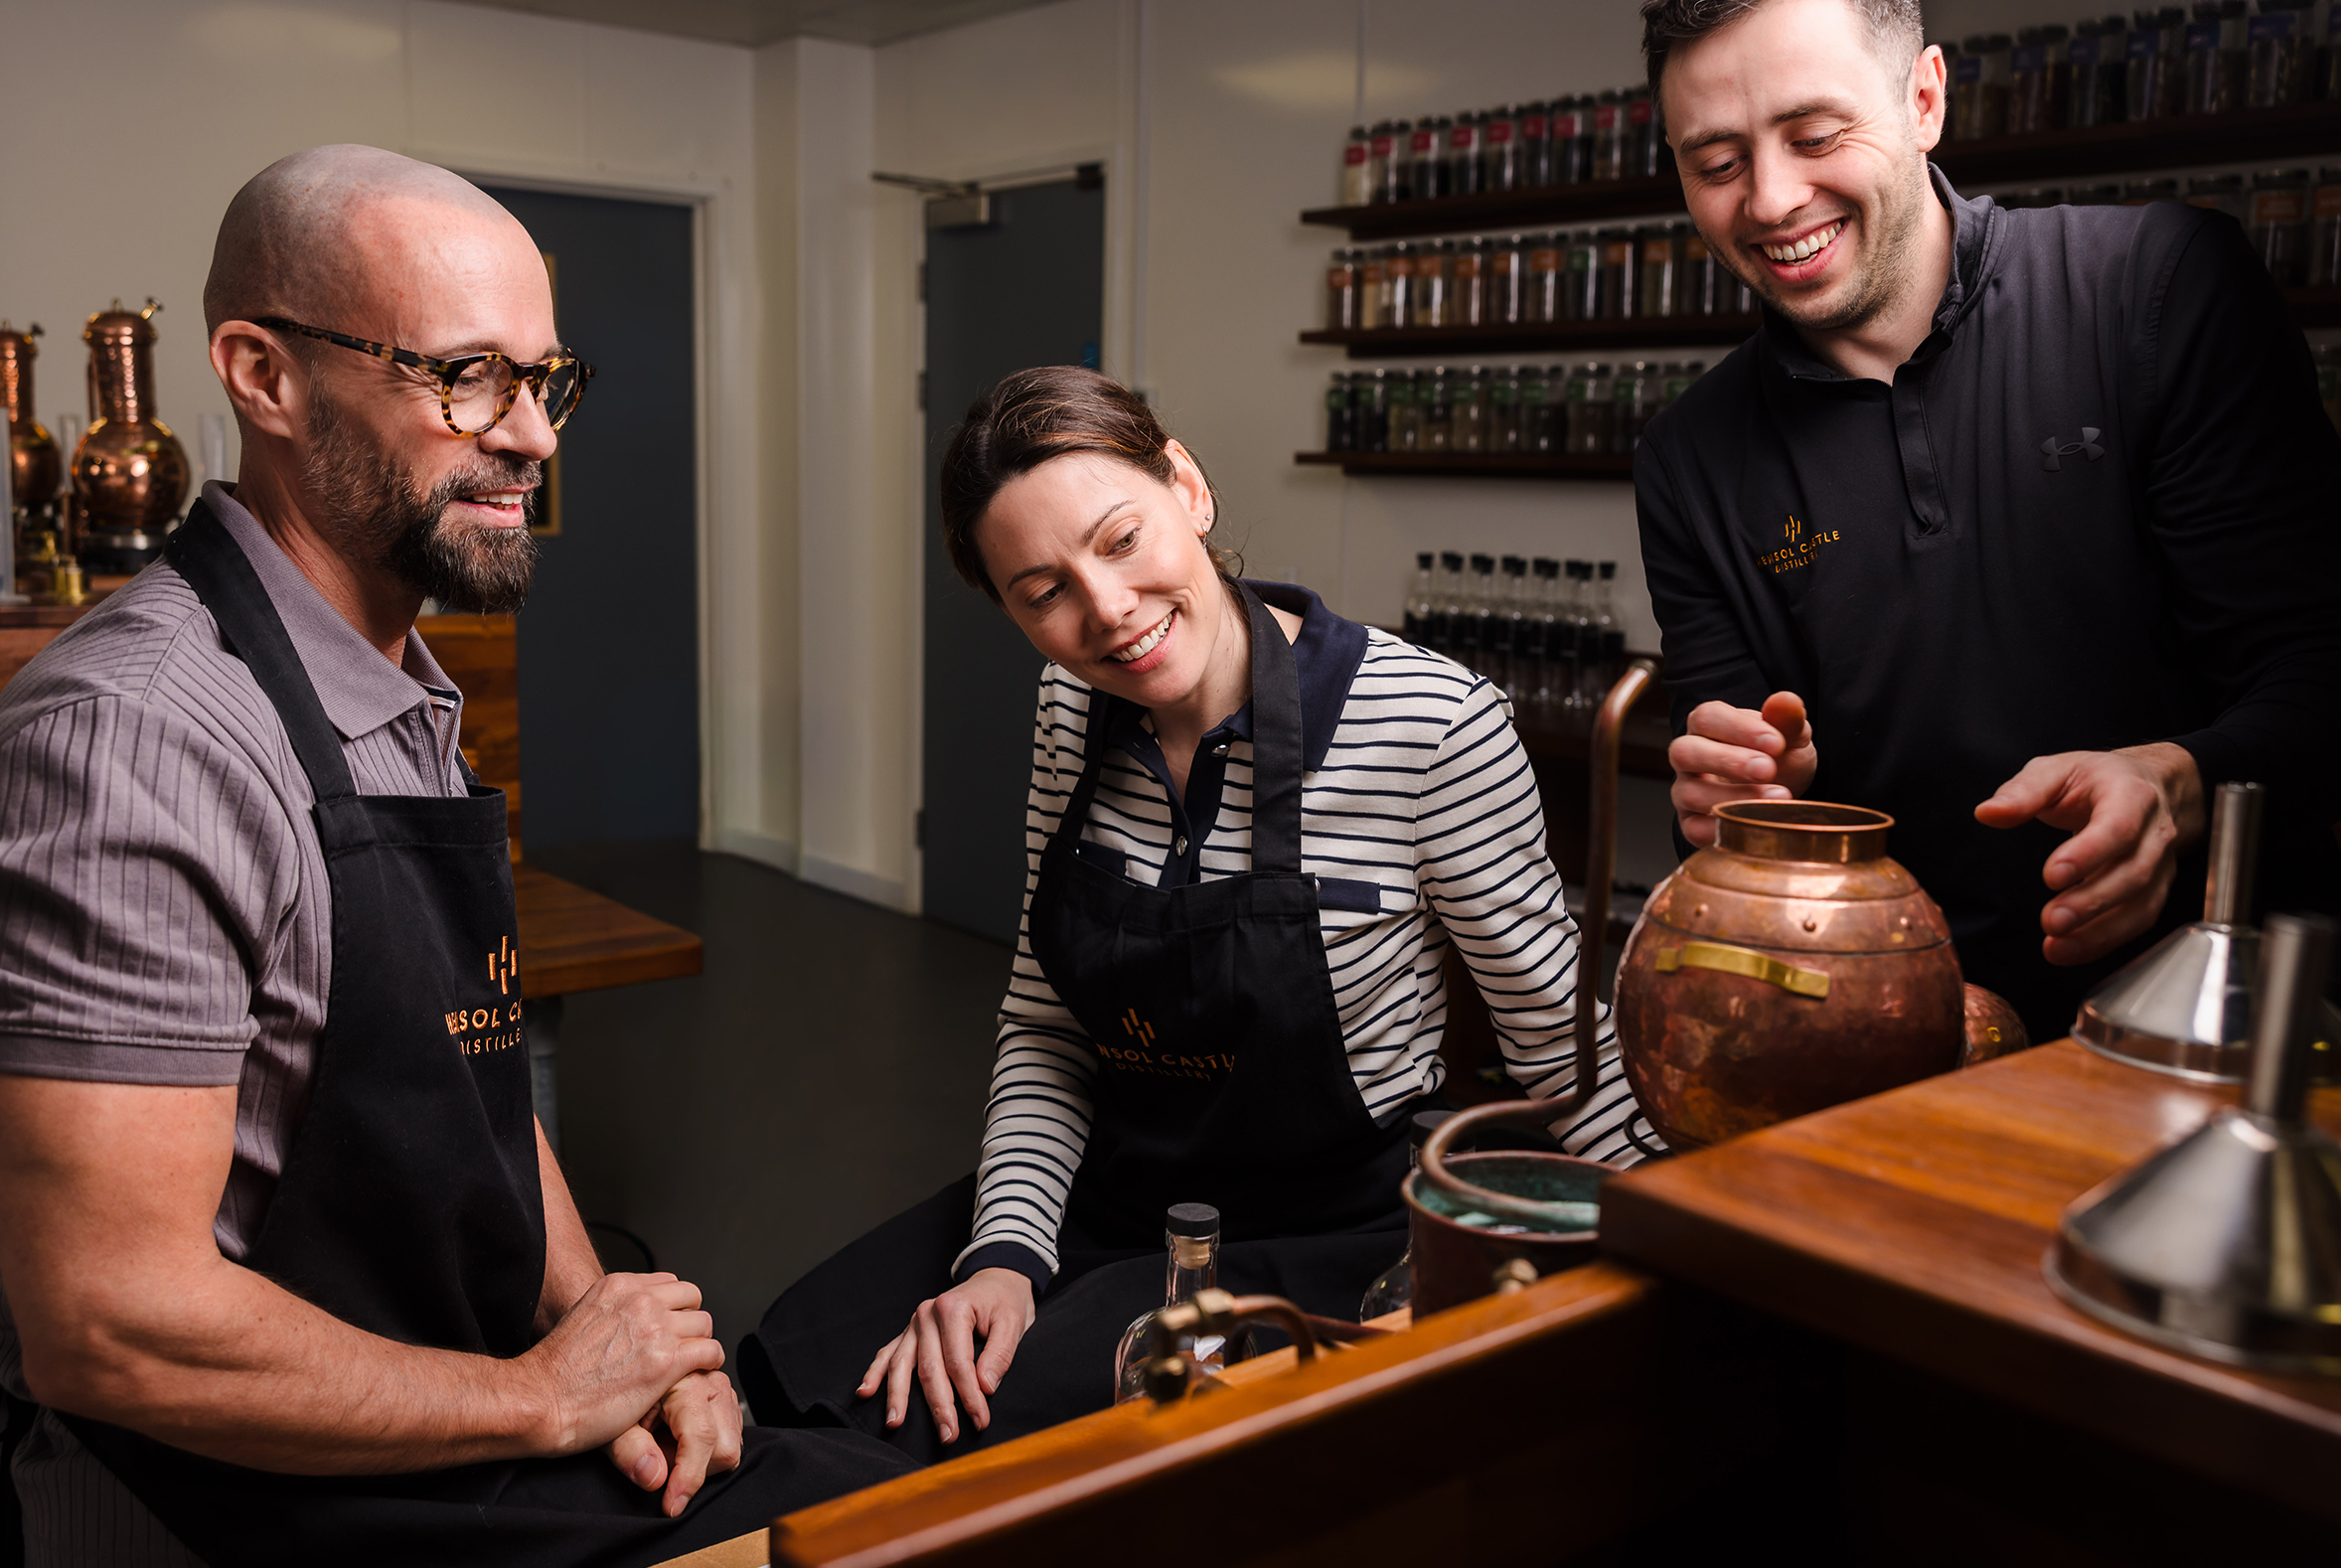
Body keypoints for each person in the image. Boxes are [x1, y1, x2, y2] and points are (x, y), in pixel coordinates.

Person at [0, 146, 906, 1568]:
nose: (529, 438)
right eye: (465, 378)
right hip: (236, 1562)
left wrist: (601, 1321)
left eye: (543, 381)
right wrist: (541, 1394)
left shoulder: (394, 685)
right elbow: (111, 1326)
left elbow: (472, 1063)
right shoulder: (128, 750)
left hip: (450, 1451)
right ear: (263, 375)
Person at [740, 367, 1649, 1463]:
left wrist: (1688, 1247)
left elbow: (1559, 1043)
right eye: (1044, 592)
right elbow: (1046, 1024)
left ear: (1187, 487)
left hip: (1315, 1236)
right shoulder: (1074, 708)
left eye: (1121, 540)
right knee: (790, 1360)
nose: (1106, 611)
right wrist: (1006, 1257)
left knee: (937, 1436)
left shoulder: (1431, 723)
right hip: (1109, 1192)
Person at [1634, 0, 2341, 1039]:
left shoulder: (2157, 289)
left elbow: (2320, 672)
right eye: (1716, 161)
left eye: (1815, 136)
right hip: (1892, 1042)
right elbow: (1739, 798)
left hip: (2215, 1037)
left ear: (1923, 99)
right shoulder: (1687, 455)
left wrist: (2176, 780)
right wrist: (1730, 801)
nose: (1773, 199)